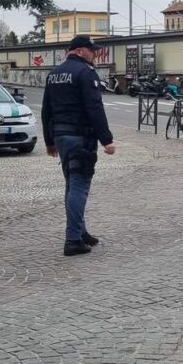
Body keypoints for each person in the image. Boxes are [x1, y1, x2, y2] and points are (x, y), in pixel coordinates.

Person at [42, 35, 116, 257]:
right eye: (92, 51)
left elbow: (46, 110)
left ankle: (81, 232)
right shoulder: (85, 73)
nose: (95, 55)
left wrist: (49, 141)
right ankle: (73, 239)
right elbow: (94, 108)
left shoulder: (54, 74)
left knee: (71, 183)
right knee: (79, 185)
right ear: (80, 51)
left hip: (61, 136)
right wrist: (106, 140)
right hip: (80, 137)